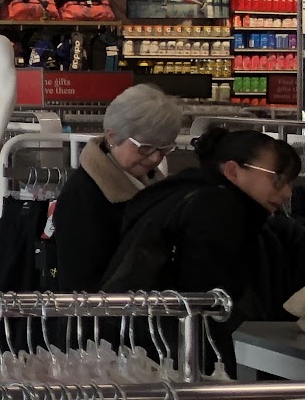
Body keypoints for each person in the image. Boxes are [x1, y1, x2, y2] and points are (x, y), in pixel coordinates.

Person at [103, 124, 305, 372]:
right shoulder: (218, 208)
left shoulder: (176, 191)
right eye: (277, 180)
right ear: (233, 170)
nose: (287, 193)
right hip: (183, 354)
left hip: (142, 343)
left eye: (290, 183)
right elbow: (211, 300)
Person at [51, 84, 182, 290]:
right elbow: (79, 285)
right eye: (145, 148)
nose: (156, 158)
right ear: (112, 137)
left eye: (165, 149)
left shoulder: (155, 187)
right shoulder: (83, 196)